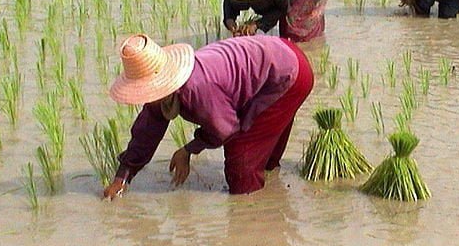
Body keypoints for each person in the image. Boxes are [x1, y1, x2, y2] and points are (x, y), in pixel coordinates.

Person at [103, 33, 314, 198]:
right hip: (283, 54)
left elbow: (226, 130)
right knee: (261, 151)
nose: (143, 97)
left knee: (241, 157)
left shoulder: (196, 88)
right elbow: (146, 132)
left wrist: (188, 150)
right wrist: (123, 177)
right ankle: (271, 183)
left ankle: (253, 217)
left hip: (288, 75)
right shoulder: (162, 94)